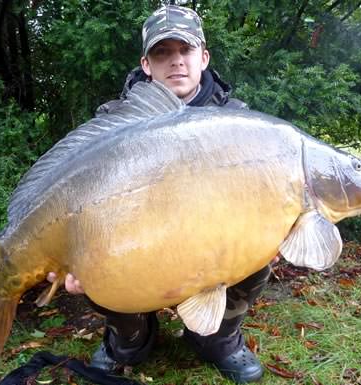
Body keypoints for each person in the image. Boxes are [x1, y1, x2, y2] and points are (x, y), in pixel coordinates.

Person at [48, 5, 273, 383]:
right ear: (146, 64)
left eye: (184, 50)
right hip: (138, 249)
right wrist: (70, 253)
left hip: (211, 248)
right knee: (92, 264)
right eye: (162, 53)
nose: (176, 62)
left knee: (258, 252)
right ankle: (130, 340)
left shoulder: (239, 120)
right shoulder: (113, 122)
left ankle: (217, 339)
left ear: (203, 57)